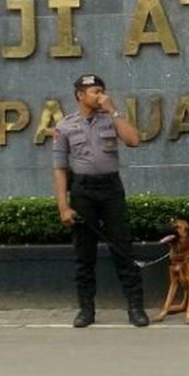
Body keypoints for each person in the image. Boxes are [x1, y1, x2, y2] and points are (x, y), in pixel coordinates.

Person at [52, 74, 148, 328]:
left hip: (111, 188)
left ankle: (135, 307)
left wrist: (113, 111)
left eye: (101, 90)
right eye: (94, 91)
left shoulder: (112, 119)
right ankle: (86, 309)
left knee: (123, 247)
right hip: (83, 190)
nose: (100, 95)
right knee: (84, 252)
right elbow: (60, 168)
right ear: (79, 95)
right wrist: (63, 205)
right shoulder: (65, 127)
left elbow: (133, 140)